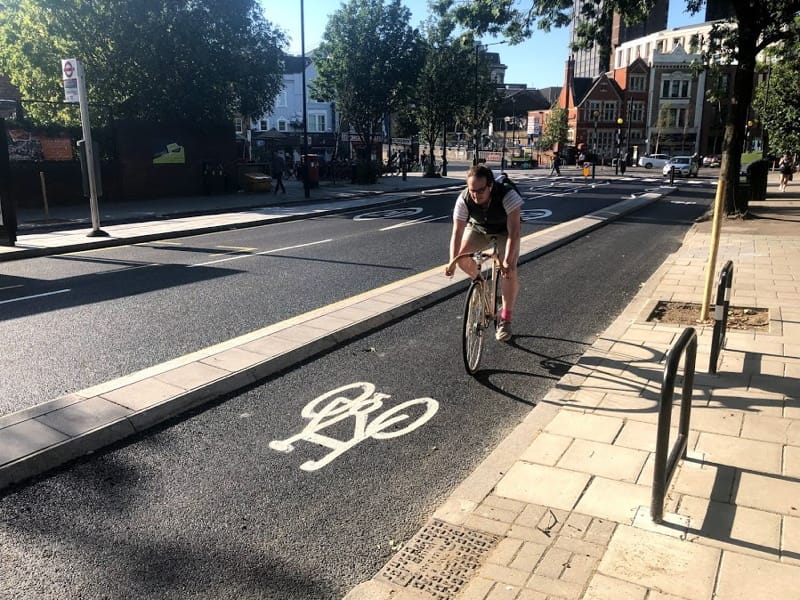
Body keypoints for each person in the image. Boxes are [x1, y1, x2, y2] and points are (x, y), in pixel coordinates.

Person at [445, 164, 523, 342]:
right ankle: (481, 284)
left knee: (509, 270)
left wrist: (507, 262)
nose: (475, 195)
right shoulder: (464, 199)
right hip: (479, 228)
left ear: (490, 186)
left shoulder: (508, 194)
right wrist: (452, 261)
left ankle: (505, 319)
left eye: (480, 190)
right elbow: (456, 232)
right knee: (461, 258)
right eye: (472, 190)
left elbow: (514, 233)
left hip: (505, 231)